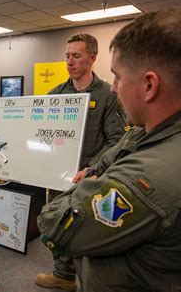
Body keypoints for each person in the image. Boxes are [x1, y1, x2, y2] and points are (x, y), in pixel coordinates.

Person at [37, 6, 181, 292]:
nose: (114, 88)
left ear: (149, 85)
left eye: (119, 77)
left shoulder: (143, 180)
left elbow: (54, 225)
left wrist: (92, 180)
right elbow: (127, 141)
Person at [37, 33, 125, 290]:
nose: (69, 62)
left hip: (90, 176)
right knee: (58, 223)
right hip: (58, 174)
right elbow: (42, 133)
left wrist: (93, 167)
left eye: (76, 56)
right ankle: (63, 274)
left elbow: (116, 140)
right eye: (67, 56)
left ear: (92, 58)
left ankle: (89, 280)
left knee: (88, 229)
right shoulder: (56, 94)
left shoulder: (108, 95)